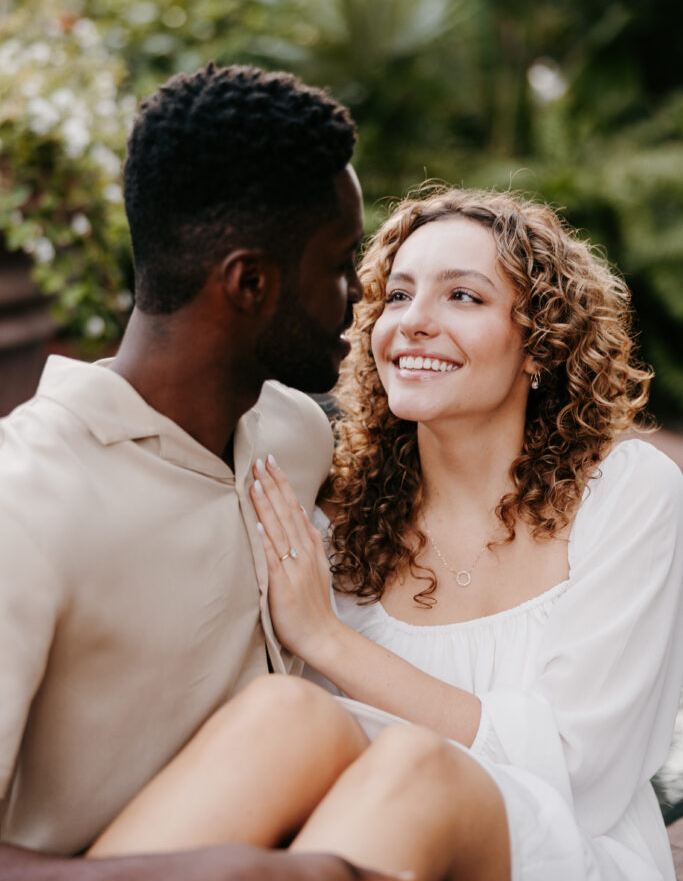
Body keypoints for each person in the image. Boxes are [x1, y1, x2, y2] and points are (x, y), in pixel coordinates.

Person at [83, 188, 683, 881]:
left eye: (463, 297)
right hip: (364, 842)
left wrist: (327, 639)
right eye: (396, 296)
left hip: (562, 854)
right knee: (286, 710)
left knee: (416, 762)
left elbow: (582, 773)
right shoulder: (333, 517)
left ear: (539, 344)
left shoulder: (627, 492)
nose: (415, 322)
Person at [0, 62, 403, 881]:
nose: (362, 293)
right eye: (340, 263)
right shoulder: (27, 504)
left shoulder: (292, 434)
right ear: (250, 283)